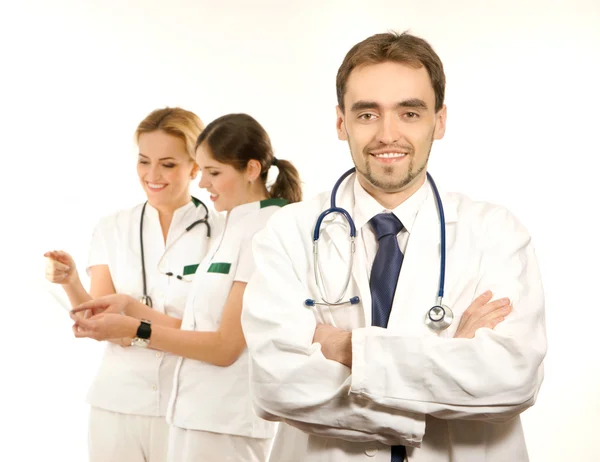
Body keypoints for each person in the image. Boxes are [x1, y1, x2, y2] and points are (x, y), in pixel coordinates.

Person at [241, 32, 546, 462]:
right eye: (367, 114)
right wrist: (448, 357)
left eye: (409, 112)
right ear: (341, 122)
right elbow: (276, 386)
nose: (388, 134)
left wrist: (348, 349)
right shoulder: (287, 232)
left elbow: (510, 379)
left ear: (439, 121)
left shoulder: (496, 232)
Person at [70, 113, 303, 462]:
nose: (204, 183)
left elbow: (225, 346)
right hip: (192, 414)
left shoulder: (264, 228)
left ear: (251, 170)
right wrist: (126, 306)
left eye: (213, 172)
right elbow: (199, 325)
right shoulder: (235, 225)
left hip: (224, 418)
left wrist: (137, 328)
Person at [44, 107, 220, 462]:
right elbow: (98, 318)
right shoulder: (112, 228)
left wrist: (133, 320)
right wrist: (72, 281)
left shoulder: (221, 232)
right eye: (144, 161)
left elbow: (217, 334)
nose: (152, 175)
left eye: (168, 164)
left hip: (187, 406)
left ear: (195, 166)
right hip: (117, 405)